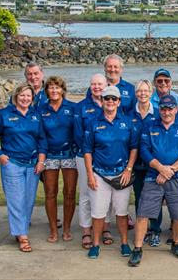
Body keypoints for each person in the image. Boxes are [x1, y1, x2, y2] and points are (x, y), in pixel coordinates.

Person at [129, 94, 178, 266]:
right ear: (160, 109)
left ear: (176, 109)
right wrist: (160, 168)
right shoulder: (150, 126)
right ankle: (137, 249)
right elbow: (144, 151)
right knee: (143, 213)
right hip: (153, 176)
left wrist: (169, 171)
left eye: (170, 108)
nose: (166, 112)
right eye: (163, 108)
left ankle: (176, 244)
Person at [0, 83, 48, 252]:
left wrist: (41, 161)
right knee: (16, 200)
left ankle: (20, 229)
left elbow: (42, 139)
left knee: (28, 200)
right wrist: (0, 155)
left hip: (33, 164)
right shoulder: (4, 114)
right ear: (15, 97)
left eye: (28, 96)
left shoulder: (36, 115)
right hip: (12, 163)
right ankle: (22, 236)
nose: (25, 99)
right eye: (22, 95)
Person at [82, 85, 139, 259]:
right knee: (98, 213)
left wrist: (129, 169)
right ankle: (96, 244)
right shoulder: (93, 122)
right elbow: (87, 150)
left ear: (119, 102)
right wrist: (90, 175)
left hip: (121, 174)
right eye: (107, 98)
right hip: (99, 174)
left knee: (121, 212)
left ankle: (123, 243)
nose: (110, 102)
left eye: (114, 99)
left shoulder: (127, 122)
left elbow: (134, 148)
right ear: (102, 100)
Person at [38, 76, 78, 243]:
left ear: (63, 90)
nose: (54, 90)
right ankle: (54, 229)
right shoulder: (41, 109)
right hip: (50, 155)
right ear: (46, 90)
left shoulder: (73, 108)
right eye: (51, 87)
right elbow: (39, 134)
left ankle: (67, 228)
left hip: (69, 154)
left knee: (69, 193)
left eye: (57, 87)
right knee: (50, 193)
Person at [73, 74, 110, 249]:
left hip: (106, 157)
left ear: (106, 85)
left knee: (107, 192)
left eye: (100, 84)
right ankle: (87, 230)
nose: (97, 87)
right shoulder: (81, 107)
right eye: (93, 84)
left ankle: (105, 228)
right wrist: (91, 153)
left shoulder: (112, 103)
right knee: (87, 193)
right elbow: (78, 134)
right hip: (84, 155)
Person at [129, 80, 162, 247]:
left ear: (151, 92)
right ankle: (143, 229)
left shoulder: (157, 113)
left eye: (146, 91)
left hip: (154, 164)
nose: (142, 94)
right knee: (139, 198)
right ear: (136, 93)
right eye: (139, 91)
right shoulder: (129, 114)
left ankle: (155, 230)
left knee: (155, 198)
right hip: (136, 165)